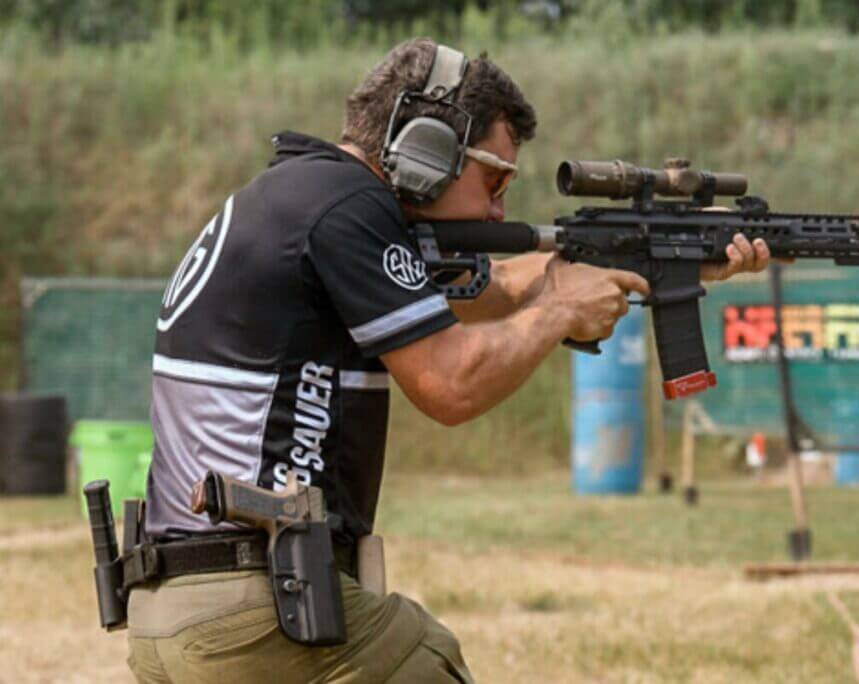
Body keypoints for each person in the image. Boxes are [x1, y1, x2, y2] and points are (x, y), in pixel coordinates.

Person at [126, 38, 774, 683]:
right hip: (255, 607)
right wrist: (556, 313)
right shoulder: (347, 210)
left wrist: (625, 266)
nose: (497, 209)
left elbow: (478, 290)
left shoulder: (299, 197)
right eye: (492, 179)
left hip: (178, 609)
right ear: (424, 149)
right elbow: (449, 385)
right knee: (428, 661)